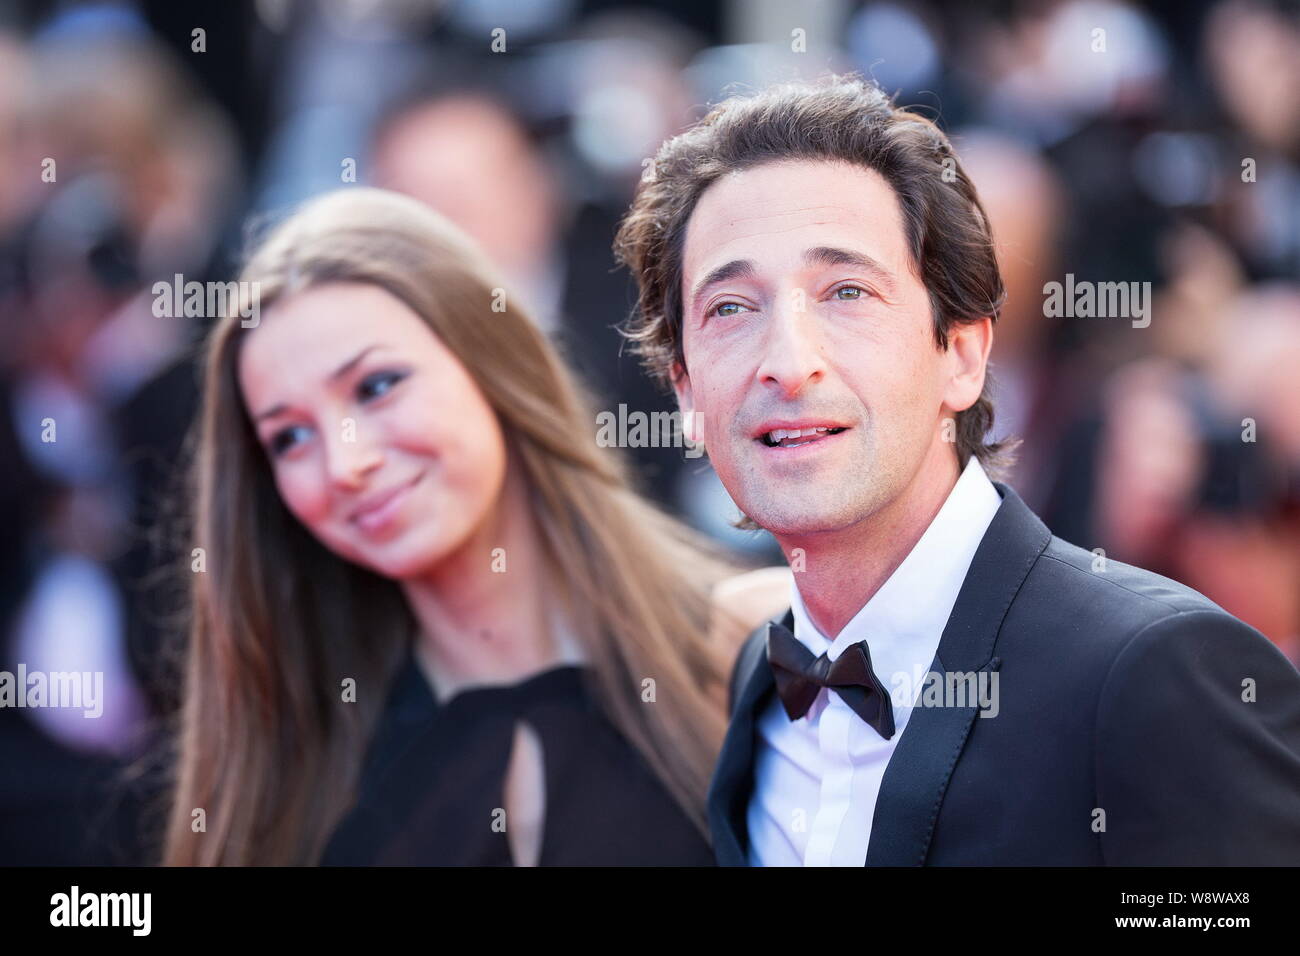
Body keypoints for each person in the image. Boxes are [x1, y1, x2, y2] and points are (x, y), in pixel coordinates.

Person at [613, 75, 1300, 866]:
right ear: (686, 390)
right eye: (730, 307)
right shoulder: (752, 689)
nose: (788, 363)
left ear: (964, 356)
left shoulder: (1152, 673)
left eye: (846, 292)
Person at [162, 187, 780, 866]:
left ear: (492, 363)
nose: (345, 463)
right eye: (290, 438)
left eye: (375, 387)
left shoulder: (759, 651)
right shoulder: (290, 771)